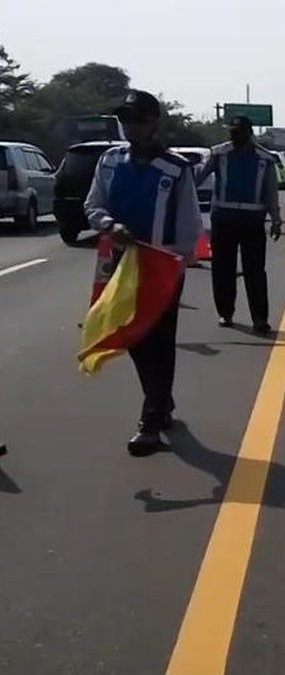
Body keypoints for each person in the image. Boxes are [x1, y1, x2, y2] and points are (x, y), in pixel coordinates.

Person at [84, 90, 202, 456]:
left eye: (137, 120)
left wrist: (176, 262)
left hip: (160, 265)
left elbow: (189, 224)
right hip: (119, 263)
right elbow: (93, 205)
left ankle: (150, 419)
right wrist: (109, 224)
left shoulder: (175, 168)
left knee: (159, 340)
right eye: (125, 120)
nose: (130, 127)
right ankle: (160, 403)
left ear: (153, 122)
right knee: (132, 336)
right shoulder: (109, 161)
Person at [197, 116, 282, 333]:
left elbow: (271, 191)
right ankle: (225, 313)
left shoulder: (264, 159)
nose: (234, 137)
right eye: (231, 133)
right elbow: (196, 178)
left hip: (252, 222)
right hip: (223, 220)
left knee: (255, 272)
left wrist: (276, 219)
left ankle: (260, 319)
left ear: (249, 134)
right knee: (222, 270)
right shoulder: (218, 154)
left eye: (238, 133)